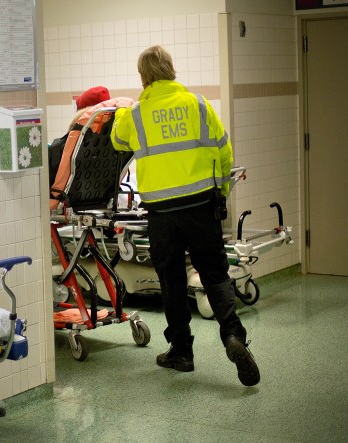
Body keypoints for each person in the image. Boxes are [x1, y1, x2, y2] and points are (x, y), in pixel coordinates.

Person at [109, 45, 260, 387]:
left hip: (162, 213)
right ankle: (233, 335)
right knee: (214, 273)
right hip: (201, 206)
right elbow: (224, 149)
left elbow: (118, 140)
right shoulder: (199, 104)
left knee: (172, 279)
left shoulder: (136, 114)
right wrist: (221, 192)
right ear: (172, 70)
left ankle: (181, 352)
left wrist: (127, 107)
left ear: (144, 77)